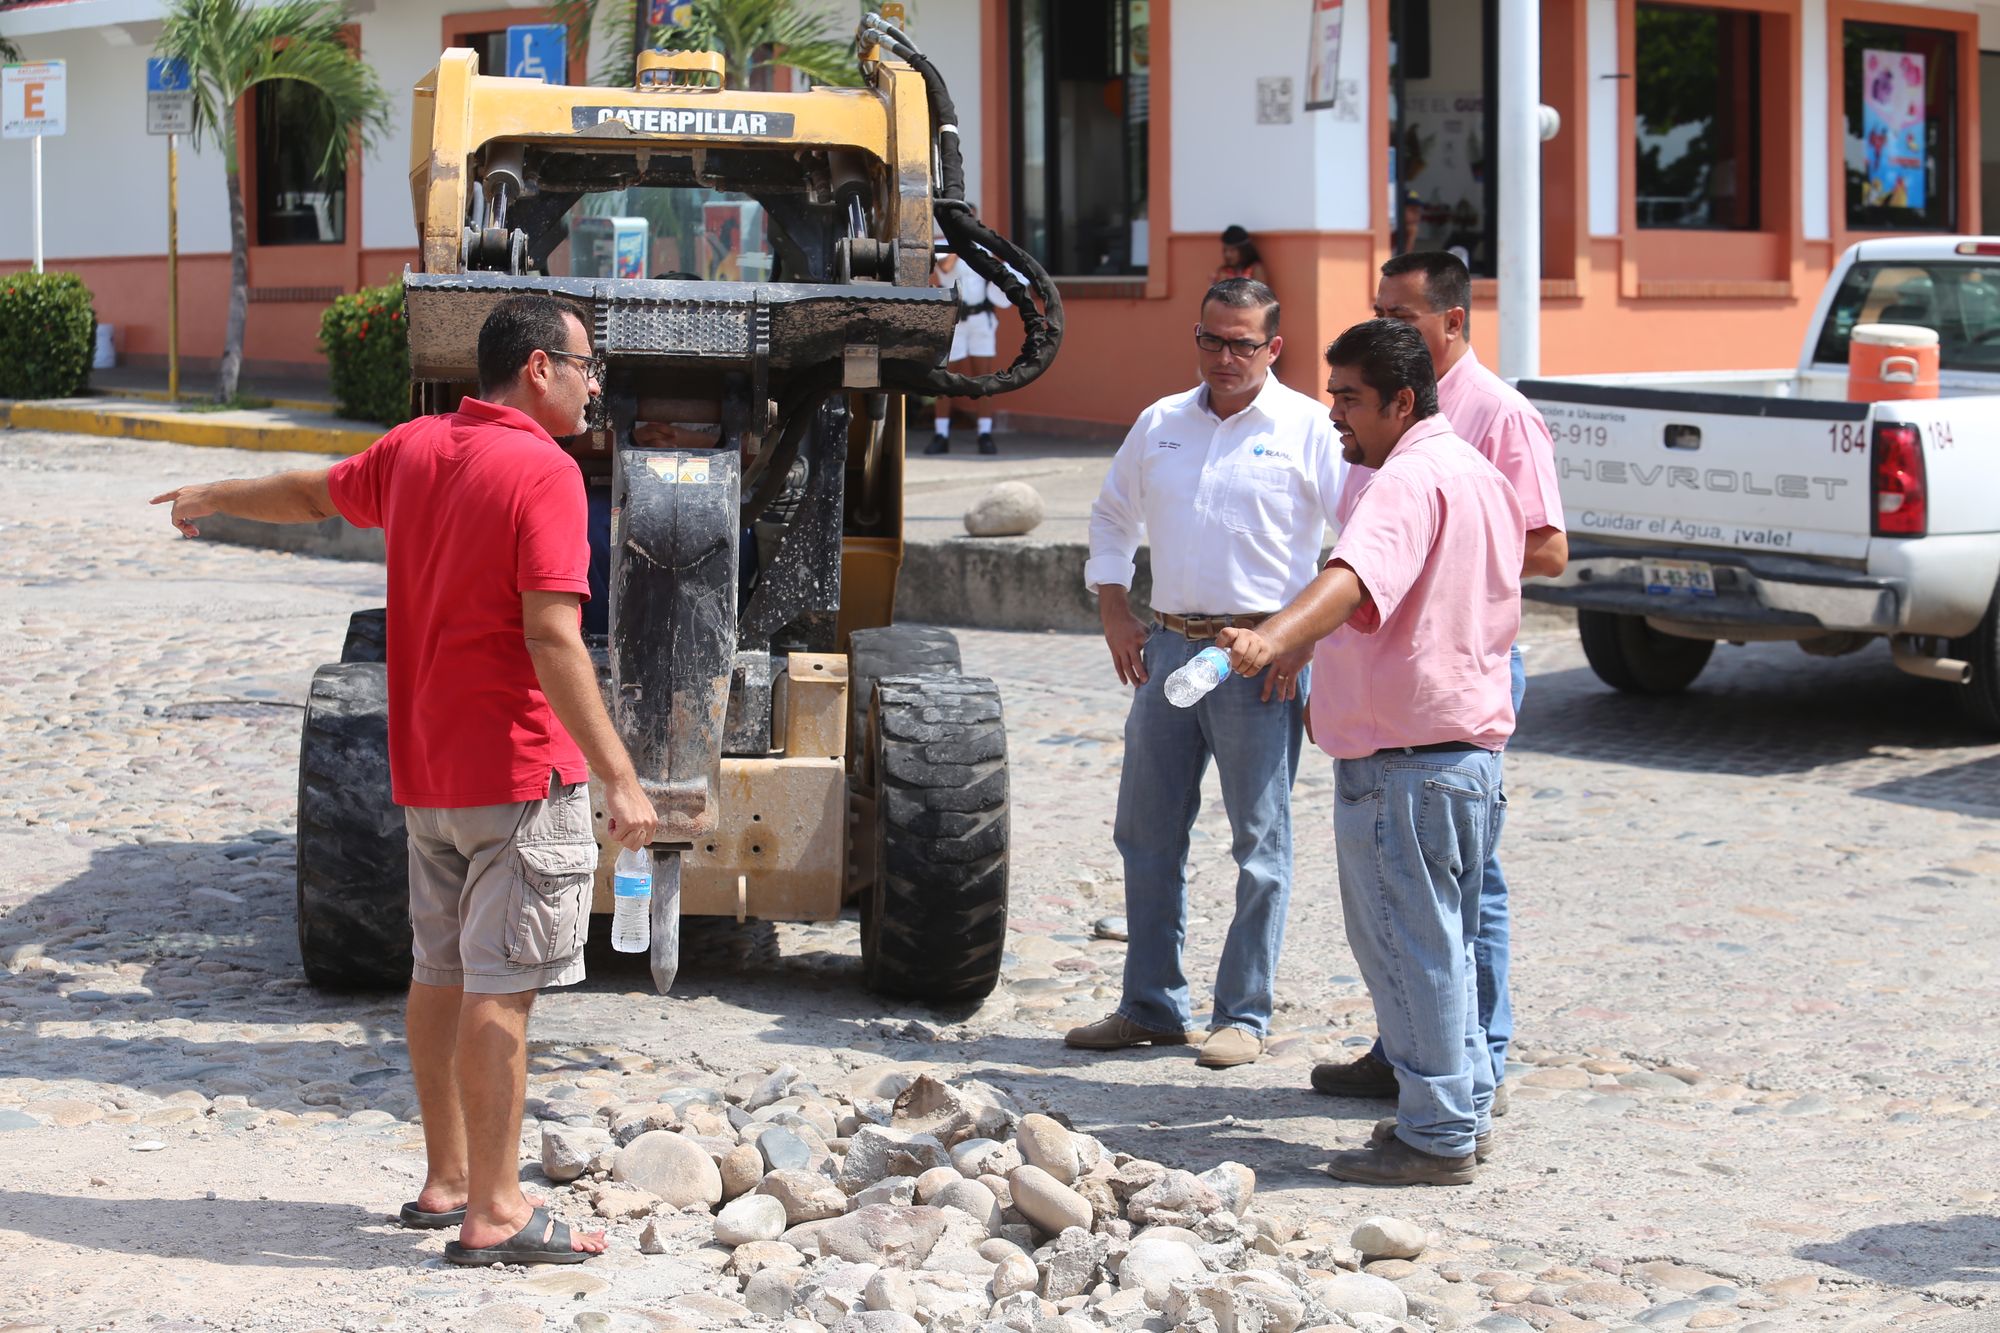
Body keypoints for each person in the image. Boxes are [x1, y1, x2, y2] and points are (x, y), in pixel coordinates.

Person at [149, 294, 659, 1264]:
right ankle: (496, 1211)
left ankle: (448, 1178)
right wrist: (621, 775)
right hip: (517, 773)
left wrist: (214, 491)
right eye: (586, 365)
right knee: (503, 986)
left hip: (429, 777)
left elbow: (309, 494)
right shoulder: (545, 472)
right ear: (538, 368)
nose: (595, 386)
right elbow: (552, 636)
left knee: (440, 971)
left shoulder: (415, 448)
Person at [1216, 318, 1524, 1184]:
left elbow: (1351, 581)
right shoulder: (1476, 474)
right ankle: (1460, 1109)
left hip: (1407, 766)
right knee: (1445, 946)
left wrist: (1273, 638)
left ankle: (1436, 1135)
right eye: (1332, 395)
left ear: (1401, 400)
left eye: (1350, 399)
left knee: (1410, 950)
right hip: (1463, 758)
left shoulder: (1408, 479)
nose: (1335, 415)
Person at [1310, 251, 1566, 1115]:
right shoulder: (1386, 428)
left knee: (1448, 906)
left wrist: (1278, 636)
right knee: (1418, 914)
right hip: (1403, 683)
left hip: (1446, 688)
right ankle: (1427, 1064)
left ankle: (1462, 1082)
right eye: (1379, 309)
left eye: (1403, 315)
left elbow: (1544, 547)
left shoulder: (1487, 421)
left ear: (1452, 320)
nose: (1386, 323)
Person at [1066, 278, 1346, 1069]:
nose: (1225, 356)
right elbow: (1111, 514)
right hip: (1169, 650)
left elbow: (1356, 543)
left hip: (1260, 658)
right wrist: (1113, 605)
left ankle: (1242, 1014)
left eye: (1242, 344)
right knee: (1146, 832)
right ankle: (1151, 1006)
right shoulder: (1161, 422)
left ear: (1273, 347)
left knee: (1260, 843)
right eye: (1211, 339)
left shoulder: (1308, 427)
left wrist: (1305, 641)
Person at [929, 237, 1012, 455]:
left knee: (984, 378)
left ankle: (984, 433)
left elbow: (995, 275)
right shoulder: (944, 245)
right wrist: (960, 245)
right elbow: (945, 267)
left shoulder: (981, 248)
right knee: (945, 378)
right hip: (953, 319)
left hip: (980, 318)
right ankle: (941, 434)